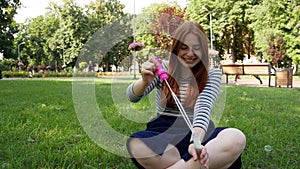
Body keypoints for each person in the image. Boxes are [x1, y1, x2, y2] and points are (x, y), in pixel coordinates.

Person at [126, 21, 246, 169]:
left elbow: (203, 109)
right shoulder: (163, 68)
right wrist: (144, 81)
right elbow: (132, 96)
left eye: (196, 48)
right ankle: (195, 165)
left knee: (235, 138)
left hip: (198, 131)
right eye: (184, 48)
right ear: (176, 49)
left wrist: (194, 143)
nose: (190, 54)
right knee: (136, 145)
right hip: (164, 131)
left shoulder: (212, 74)